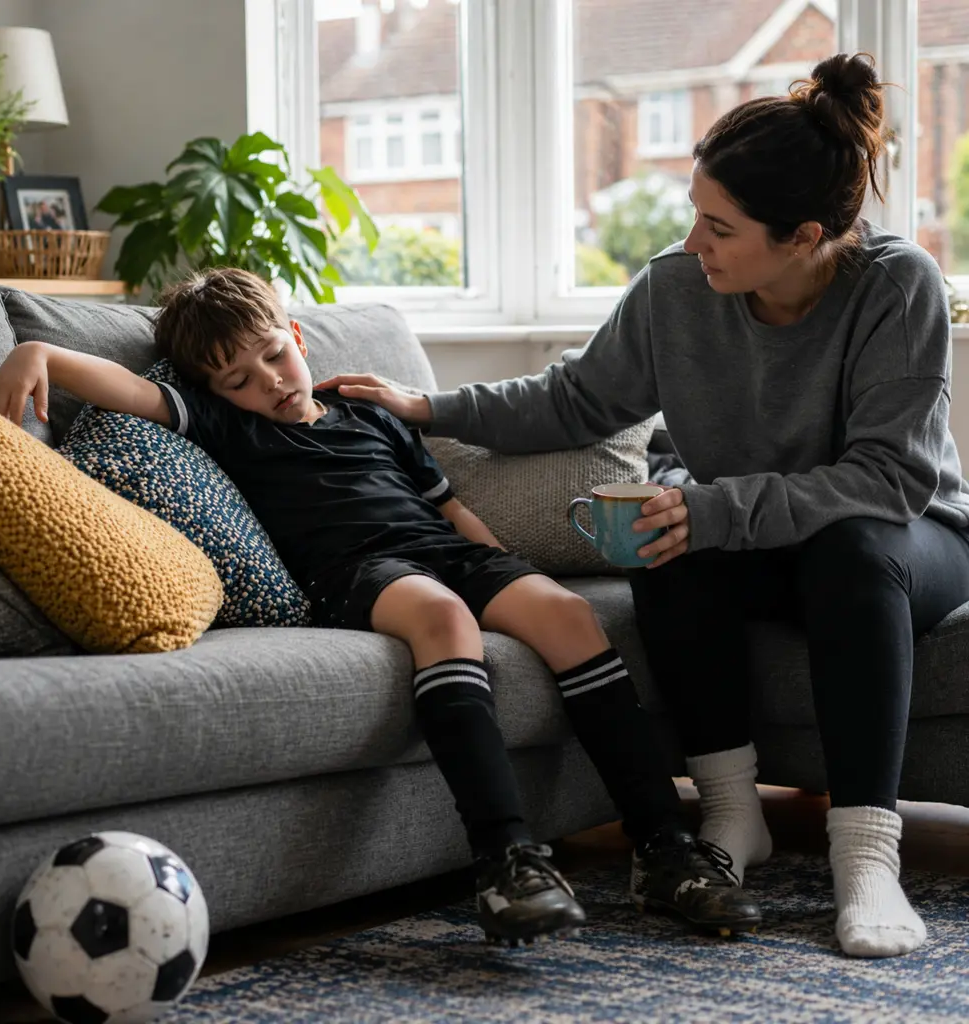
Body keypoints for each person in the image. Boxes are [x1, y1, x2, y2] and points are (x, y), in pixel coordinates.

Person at [318, 53, 969, 960]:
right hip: (761, 544)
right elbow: (576, 400)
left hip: (909, 543)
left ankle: (866, 857)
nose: (692, 243)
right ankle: (734, 819)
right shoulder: (676, 287)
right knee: (660, 538)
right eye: (693, 215)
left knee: (846, 551)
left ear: (805, 234)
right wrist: (430, 407)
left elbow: (888, 482)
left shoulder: (899, 286)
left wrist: (714, 510)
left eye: (719, 227)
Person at [0, 268, 761, 949]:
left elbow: (448, 507)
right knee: (445, 620)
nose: (270, 383)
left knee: (570, 617)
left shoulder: (371, 416)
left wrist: (501, 569)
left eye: (274, 356)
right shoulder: (230, 426)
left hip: (447, 550)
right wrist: (37, 351)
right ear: (214, 395)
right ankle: (505, 860)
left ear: (296, 335)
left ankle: (662, 847)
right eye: (240, 380)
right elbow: (131, 391)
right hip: (356, 572)